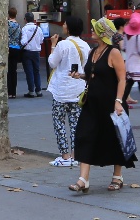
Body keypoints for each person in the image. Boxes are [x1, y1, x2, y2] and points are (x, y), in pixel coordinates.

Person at [67, 18, 132, 194]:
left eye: (95, 29)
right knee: (84, 136)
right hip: (92, 104)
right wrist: (79, 76)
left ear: (103, 34)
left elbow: (122, 79)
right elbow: (93, 75)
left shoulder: (114, 53)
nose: (92, 31)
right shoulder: (92, 52)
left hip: (111, 104)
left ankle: (117, 176)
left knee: (115, 139)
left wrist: (119, 101)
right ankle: (83, 180)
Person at [46, 16, 89, 166]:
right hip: (78, 89)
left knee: (59, 122)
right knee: (76, 123)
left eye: (65, 24)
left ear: (68, 28)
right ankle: (75, 155)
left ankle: (65, 156)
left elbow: (52, 62)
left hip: (61, 89)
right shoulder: (85, 45)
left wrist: (53, 45)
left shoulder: (63, 44)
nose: (63, 25)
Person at [119, 13, 140, 107]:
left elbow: (123, 47)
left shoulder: (126, 36)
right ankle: (122, 100)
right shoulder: (137, 37)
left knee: (132, 82)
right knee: (132, 83)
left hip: (129, 61)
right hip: (136, 62)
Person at [20, 12, 45, 97]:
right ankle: (38, 90)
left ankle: (31, 91)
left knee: (29, 72)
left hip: (27, 52)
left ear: (25, 19)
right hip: (36, 52)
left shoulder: (24, 29)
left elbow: (23, 41)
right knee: (36, 71)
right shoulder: (39, 28)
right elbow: (42, 40)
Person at [6, 7, 22, 99]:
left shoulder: (7, 24)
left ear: (8, 14)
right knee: (14, 70)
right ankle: (14, 92)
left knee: (8, 71)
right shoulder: (18, 26)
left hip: (8, 48)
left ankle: (9, 92)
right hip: (16, 48)